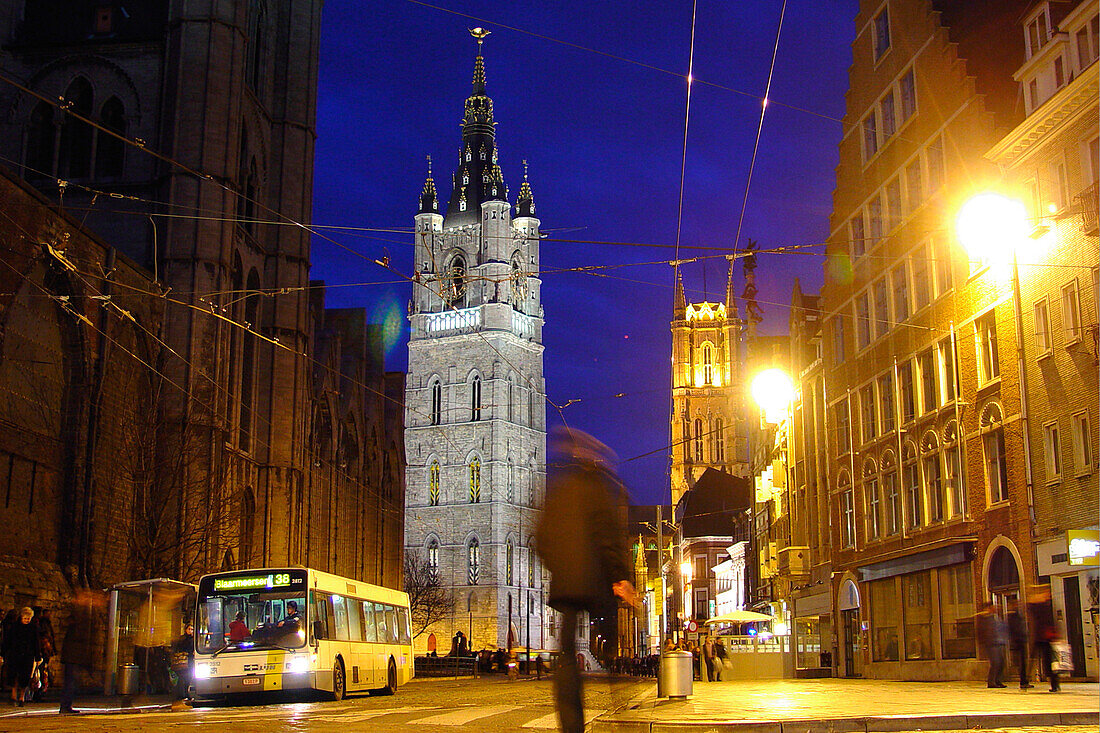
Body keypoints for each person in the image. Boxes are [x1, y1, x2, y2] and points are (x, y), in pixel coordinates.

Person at [536, 426, 636, 733]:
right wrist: (621, 578)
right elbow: (609, 536)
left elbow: (540, 537)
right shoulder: (599, 489)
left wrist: (558, 567)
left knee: (566, 657)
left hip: (565, 588)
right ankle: (621, 705)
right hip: (594, 586)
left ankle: (571, 723)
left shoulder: (558, 489)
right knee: (610, 647)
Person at [2, 607, 40, 706]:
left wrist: (37, 656)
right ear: (22, 617)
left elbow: (36, 642)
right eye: (25, 618)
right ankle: (13, 695)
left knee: (25, 676)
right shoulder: (15, 627)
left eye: (29, 618)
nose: (27, 620)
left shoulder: (33, 628)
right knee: (14, 675)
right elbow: (8, 641)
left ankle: (22, 697)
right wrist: (3, 653)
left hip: (27, 655)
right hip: (15, 654)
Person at [1026, 587, 1060, 692]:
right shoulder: (1040, 607)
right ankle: (1026, 680)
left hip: (1045, 638)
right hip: (1041, 637)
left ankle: (1054, 684)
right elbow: (1030, 606)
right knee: (1040, 660)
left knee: (1049, 661)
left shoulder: (1046, 606)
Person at [975, 601, 1007, 688]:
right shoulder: (984, 618)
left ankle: (998, 680)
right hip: (991, 643)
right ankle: (991, 681)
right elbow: (980, 631)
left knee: (1001, 662)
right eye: (993, 607)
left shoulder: (995, 617)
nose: (995, 608)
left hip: (998, 642)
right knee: (995, 662)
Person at [1006, 598, 1031, 689]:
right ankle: (1023, 681)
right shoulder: (1013, 616)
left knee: (1023, 662)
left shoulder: (1017, 615)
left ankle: (1024, 681)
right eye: (1017, 604)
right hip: (1018, 642)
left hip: (1020, 641)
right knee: (1021, 663)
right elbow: (1015, 629)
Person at [170, 621, 195, 711]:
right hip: (183, 662)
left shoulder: (193, 639)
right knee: (183, 678)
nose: (191, 631)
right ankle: (183, 695)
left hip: (190, 662)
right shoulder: (183, 639)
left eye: (192, 629)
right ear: (185, 630)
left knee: (188, 678)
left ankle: (186, 695)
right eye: (189, 629)